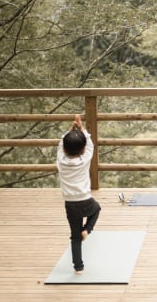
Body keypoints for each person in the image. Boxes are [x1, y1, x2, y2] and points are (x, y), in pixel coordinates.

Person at [57, 114, 101, 274]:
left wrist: (71, 128)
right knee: (97, 209)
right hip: (86, 200)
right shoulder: (85, 160)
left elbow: (62, 142)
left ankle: (78, 267)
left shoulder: (60, 161)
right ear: (83, 149)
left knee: (74, 237)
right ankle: (87, 229)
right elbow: (91, 145)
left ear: (63, 149)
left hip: (70, 204)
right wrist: (81, 127)